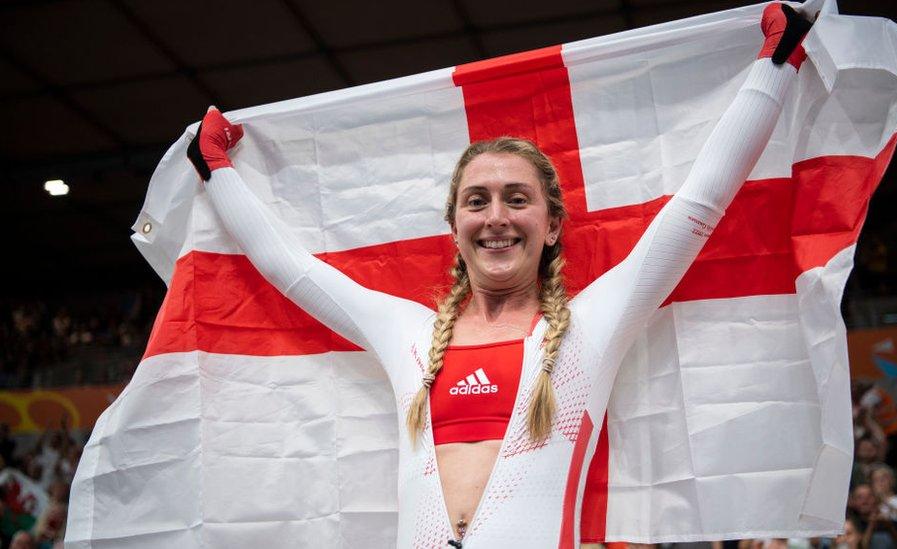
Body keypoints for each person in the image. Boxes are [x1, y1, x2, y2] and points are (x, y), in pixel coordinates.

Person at [186, 3, 815, 547]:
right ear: (454, 227)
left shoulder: (591, 328)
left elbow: (695, 211)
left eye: (518, 199)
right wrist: (216, 167)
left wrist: (775, 62)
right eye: (477, 201)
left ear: (552, 225)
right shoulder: (404, 332)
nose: (496, 218)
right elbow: (290, 269)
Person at [848, 483, 897, 549]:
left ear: (876, 499)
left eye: (869, 496)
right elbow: (862, 547)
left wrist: (890, 528)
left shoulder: (891, 521)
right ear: (853, 502)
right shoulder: (851, 525)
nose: (865, 501)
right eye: (860, 497)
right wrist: (871, 525)